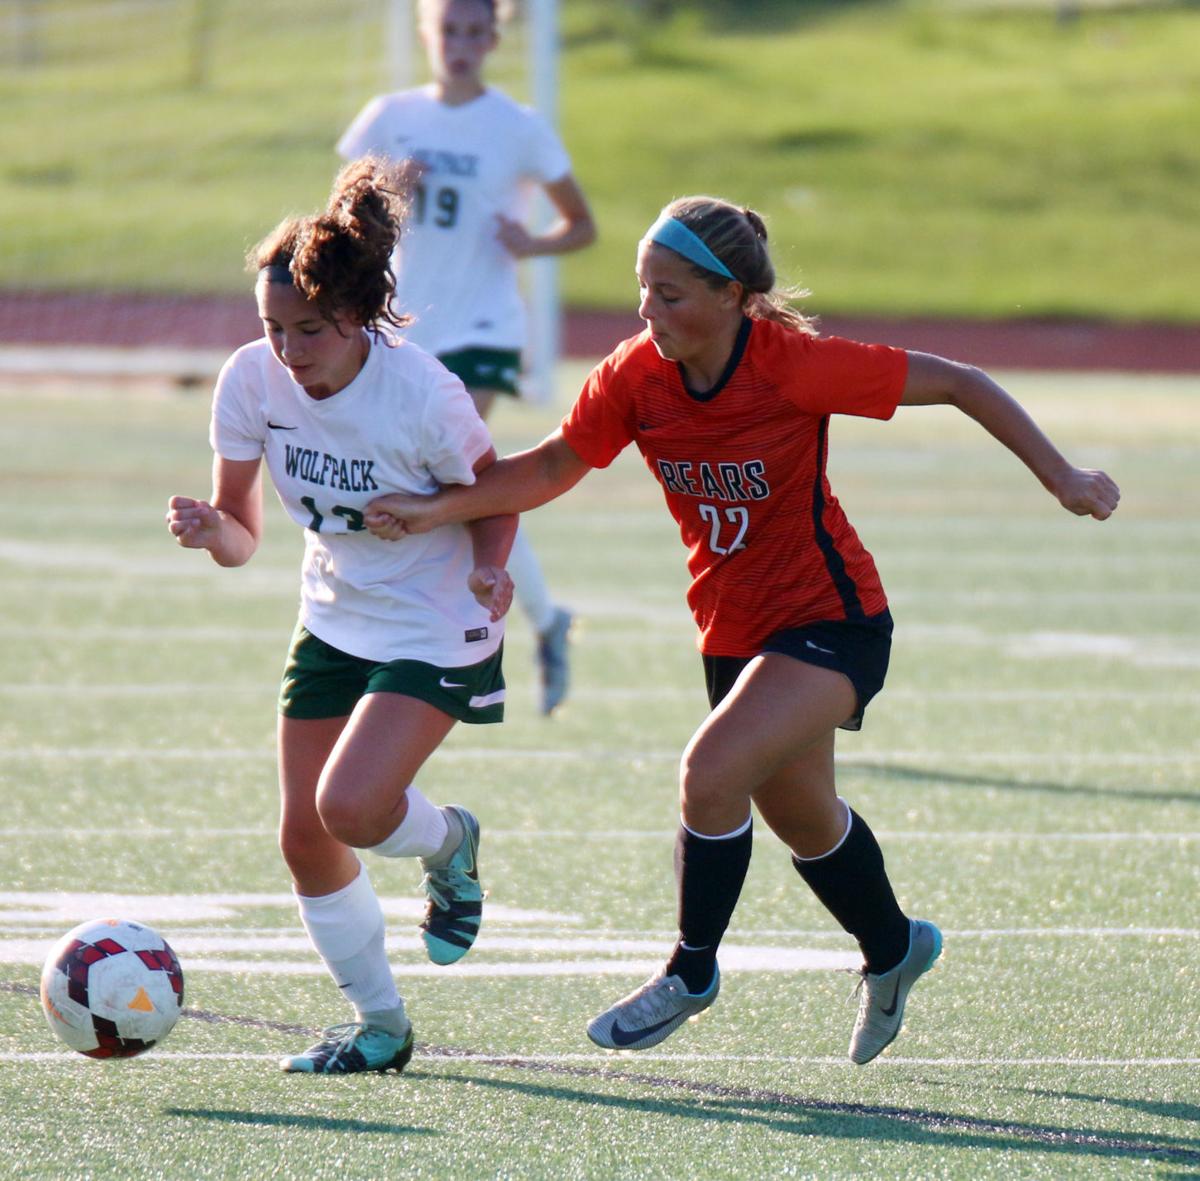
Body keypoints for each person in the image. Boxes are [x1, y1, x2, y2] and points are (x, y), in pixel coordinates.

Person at [362, 195, 1121, 1063]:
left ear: (733, 296)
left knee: (709, 771)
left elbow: (961, 382)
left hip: (832, 615)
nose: (650, 311)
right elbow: (555, 464)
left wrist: (1060, 474)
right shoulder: (634, 375)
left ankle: (691, 970)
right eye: (643, 289)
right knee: (806, 820)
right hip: (731, 628)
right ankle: (895, 947)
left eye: (672, 293)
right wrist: (437, 510)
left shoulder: (794, 365)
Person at [165, 157, 517, 1075]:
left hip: (438, 618)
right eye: (272, 326)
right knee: (302, 835)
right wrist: (214, 532)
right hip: (334, 612)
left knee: (353, 807)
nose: (288, 350)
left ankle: (452, 842)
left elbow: (498, 493)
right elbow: (246, 536)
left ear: (357, 317)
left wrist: (489, 570)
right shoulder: (250, 382)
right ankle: (381, 1026)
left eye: (310, 329)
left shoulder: (423, 393)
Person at [337, 0, 597, 716]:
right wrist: (387, 195)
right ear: (428, 34)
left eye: (474, 31)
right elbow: (339, 217)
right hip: (406, 323)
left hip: (483, 326)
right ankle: (546, 620)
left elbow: (582, 225)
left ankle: (468, 633)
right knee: (455, 489)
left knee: (460, 480)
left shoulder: (517, 127)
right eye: (448, 29)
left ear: (494, 37)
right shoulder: (387, 117)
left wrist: (533, 242)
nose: (460, 43)